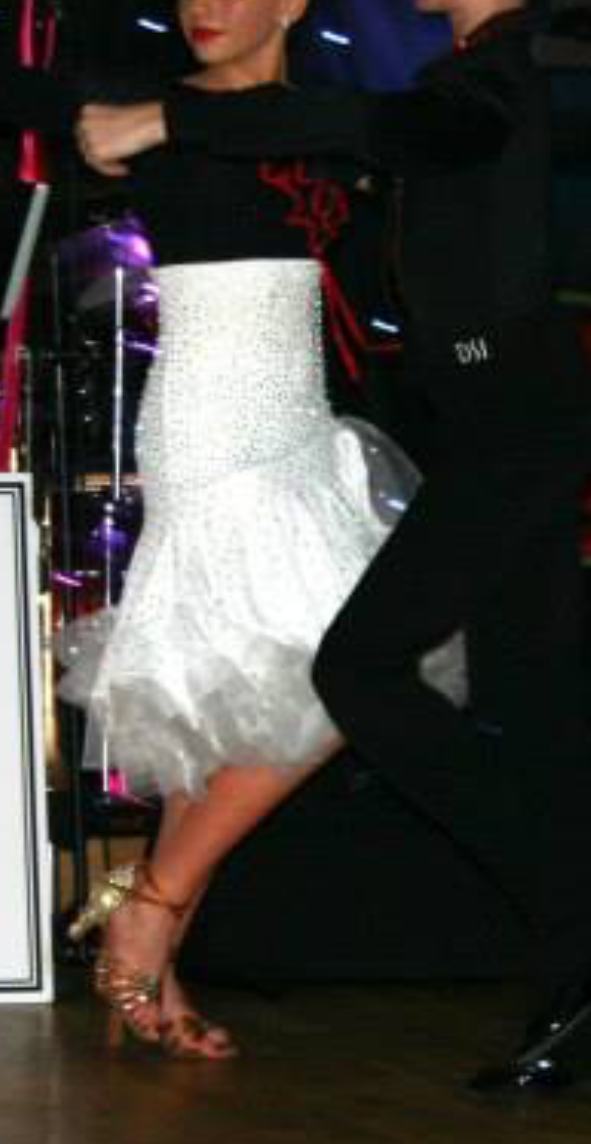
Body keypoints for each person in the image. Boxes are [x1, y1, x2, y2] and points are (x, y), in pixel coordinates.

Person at [74, 0, 591, 1093]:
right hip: (224, 423)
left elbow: (390, 147)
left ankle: (153, 921)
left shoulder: (447, 89)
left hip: (342, 426)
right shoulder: (201, 113)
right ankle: (155, 917)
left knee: (313, 674)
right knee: (279, 675)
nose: (205, 6)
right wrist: (140, 118)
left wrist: (168, 121)